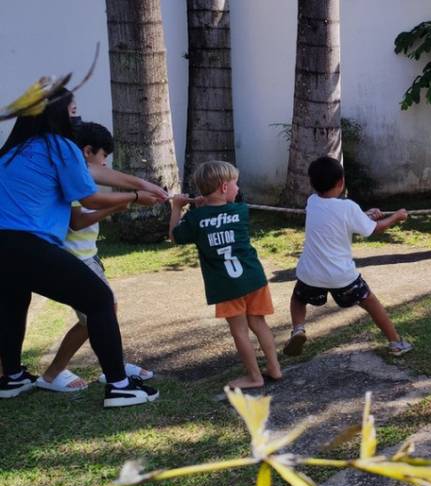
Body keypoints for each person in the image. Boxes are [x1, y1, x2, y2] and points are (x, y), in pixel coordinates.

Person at [0, 85, 162, 407]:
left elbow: (91, 173)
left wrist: (140, 183)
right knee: (99, 299)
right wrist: (134, 197)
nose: (77, 116)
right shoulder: (60, 147)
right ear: (56, 114)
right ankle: (119, 386)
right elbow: (89, 196)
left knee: (14, 303)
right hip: (26, 244)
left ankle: (12, 377)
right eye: (72, 110)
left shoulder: (12, 152)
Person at [36, 121, 153, 392]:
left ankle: (112, 366)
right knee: (98, 315)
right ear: (88, 152)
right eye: (104, 158)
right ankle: (54, 375)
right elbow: (77, 221)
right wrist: (123, 204)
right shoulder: (70, 179)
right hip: (74, 258)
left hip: (88, 256)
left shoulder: (80, 175)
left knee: (101, 315)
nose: (105, 166)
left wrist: (131, 195)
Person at [282, 156, 413, 358]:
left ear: (312, 183)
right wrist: (396, 216)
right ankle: (396, 342)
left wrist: (364, 216)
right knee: (370, 302)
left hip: (310, 274)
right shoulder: (348, 207)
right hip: (342, 276)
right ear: (341, 182)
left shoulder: (312, 202)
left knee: (298, 299)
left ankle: (298, 329)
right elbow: (375, 229)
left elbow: (337, 218)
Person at [169, 161, 282, 389]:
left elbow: (174, 236)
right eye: (235, 184)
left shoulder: (196, 219)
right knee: (259, 323)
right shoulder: (241, 211)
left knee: (239, 331)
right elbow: (226, 209)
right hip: (253, 278)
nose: (238, 188)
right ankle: (274, 368)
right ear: (223, 187)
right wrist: (204, 206)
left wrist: (177, 208)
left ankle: (254, 377)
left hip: (226, 286)